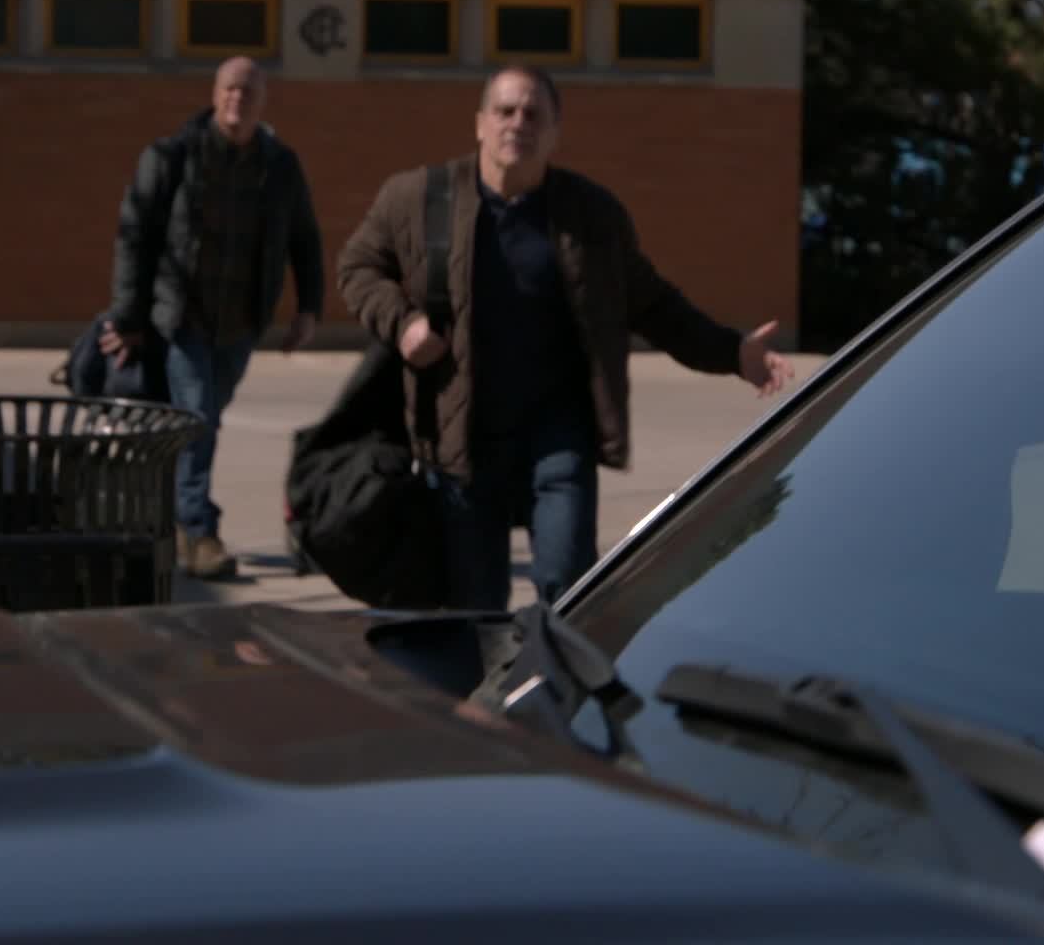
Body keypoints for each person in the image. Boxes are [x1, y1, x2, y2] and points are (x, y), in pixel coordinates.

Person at [335, 64, 796, 611]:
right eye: (505, 111)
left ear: (555, 132)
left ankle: (558, 664)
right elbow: (358, 267)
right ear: (480, 123)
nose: (518, 123)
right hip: (462, 440)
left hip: (558, 437)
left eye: (534, 114)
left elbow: (653, 305)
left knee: (569, 588)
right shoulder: (419, 200)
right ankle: (489, 668)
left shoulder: (591, 216)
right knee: (476, 607)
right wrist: (403, 322)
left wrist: (733, 352)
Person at [102, 57, 325, 580]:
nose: (237, 99)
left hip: (241, 323)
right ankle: (199, 531)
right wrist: (128, 317)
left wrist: (309, 308)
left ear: (262, 101)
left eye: (248, 91)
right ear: (214, 92)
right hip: (184, 318)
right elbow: (134, 236)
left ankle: (170, 513)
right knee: (198, 418)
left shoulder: (279, 165)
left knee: (200, 421)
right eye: (229, 89)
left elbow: (304, 237)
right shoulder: (173, 156)